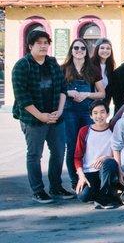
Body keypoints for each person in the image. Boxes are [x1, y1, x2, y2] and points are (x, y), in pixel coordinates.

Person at [12, 30, 73, 203]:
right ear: (30, 46)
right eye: (39, 42)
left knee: (59, 151)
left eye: (46, 42)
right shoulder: (22, 66)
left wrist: (59, 111)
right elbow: (22, 97)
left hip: (55, 116)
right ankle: (38, 190)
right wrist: (41, 116)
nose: (43, 45)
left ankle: (56, 186)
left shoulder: (52, 63)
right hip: (33, 119)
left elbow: (63, 88)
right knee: (34, 155)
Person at [62, 38, 106, 189]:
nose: (79, 51)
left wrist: (86, 94)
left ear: (87, 52)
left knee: (88, 144)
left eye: (82, 48)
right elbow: (58, 91)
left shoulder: (93, 69)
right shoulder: (64, 69)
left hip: (87, 112)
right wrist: (70, 92)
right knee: (72, 146)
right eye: (76, 48)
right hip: (69, 112)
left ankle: (91, 178)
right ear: (71, 50)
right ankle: (76, 182)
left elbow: (101, 93)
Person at [74, 100, 119, 209]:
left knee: (109, 162)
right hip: (90, 171)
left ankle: (103, 198)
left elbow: (120, 152)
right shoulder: (84, 131)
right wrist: (81, 176)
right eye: (95, 113)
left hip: (107, 170)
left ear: (108, 114)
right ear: (90, 116)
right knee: (83, 196)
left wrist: (106, 157)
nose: (99, 115)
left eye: (102, 112)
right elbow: (77, 156)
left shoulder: (114, 129)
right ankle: (107, 192)